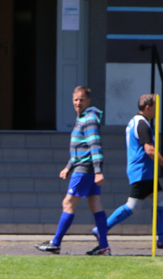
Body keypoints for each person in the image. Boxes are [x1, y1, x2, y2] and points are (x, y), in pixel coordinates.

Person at [91, 94, 163, 250]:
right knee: (133, 205)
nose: (156, 111)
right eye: (155, 107)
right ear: (148, 107)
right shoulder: (143, 124)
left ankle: (162, 238)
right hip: (142, 170)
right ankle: (102, 228)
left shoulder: (134, 122)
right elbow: (149, 150)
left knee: (159, 198)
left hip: (144, 170)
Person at [36, 86, 110, 256]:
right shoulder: (82, 118)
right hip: (83, 168)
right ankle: (104, 246)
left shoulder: (88, 119)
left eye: (81, 100)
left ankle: (55, 243)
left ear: (88, 101)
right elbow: (80, 147)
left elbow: (94, 146)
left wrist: (98, 170)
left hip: (85, 170)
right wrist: (68, 167)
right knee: (95, 204)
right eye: (75, 100)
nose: (78, 103)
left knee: (68, 203)